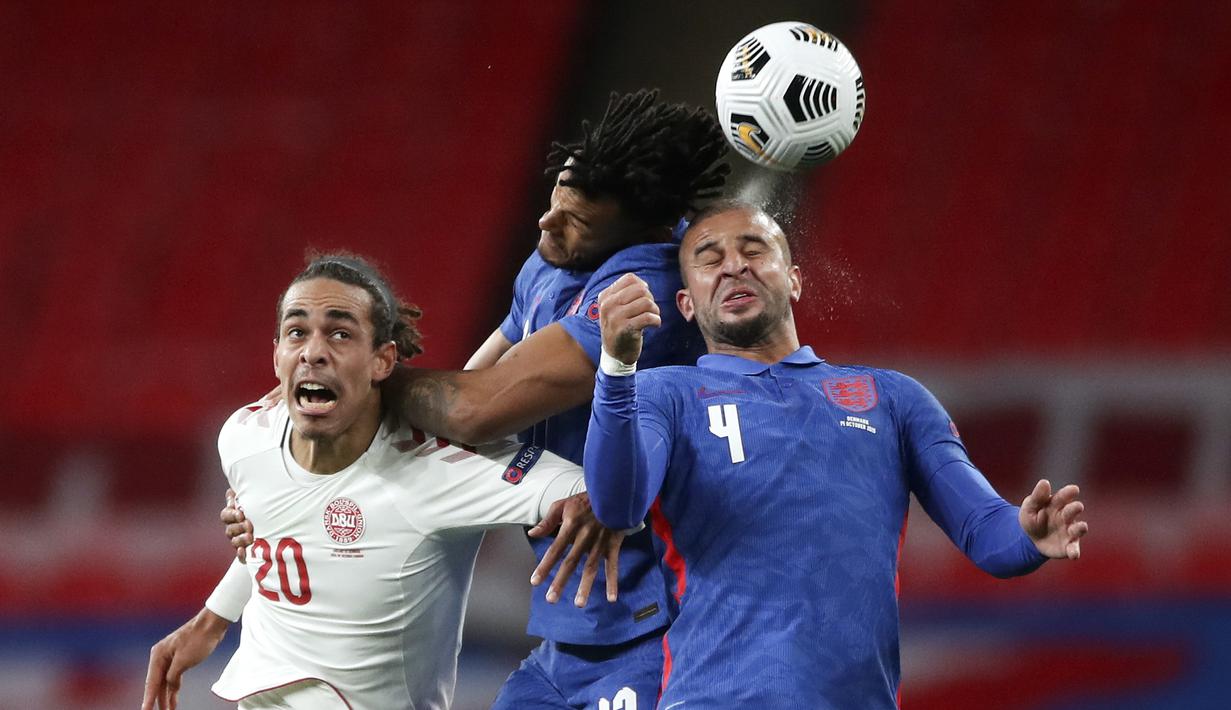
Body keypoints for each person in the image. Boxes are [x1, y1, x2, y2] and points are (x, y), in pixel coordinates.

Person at [220, 89, 731, 709]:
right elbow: (453, 414)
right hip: (574, 624)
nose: (547, 225)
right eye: (554, 204)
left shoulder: (647, 288)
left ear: (641, 230)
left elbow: (476, 406)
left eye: (576, 222)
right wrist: (290, 491)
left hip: (661, 615)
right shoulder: (553, 264)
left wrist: (351, 380)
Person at [582, 201, 1090, 708]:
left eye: (753, 249)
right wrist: (616, 370)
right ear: (687, 303)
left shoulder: (893, 399)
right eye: (710, 259)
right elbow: (618, 504)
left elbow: (985, 529)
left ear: (795, 280)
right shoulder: (662, 395)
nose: (734, 265)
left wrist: (1026, 535)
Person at [142, 254, 610, 710]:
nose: (313, 352)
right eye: (296, 332)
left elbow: (586, 489)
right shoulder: (245, 438)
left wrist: (591, 498)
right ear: (277, 355)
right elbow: (280, 522)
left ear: (384, 361)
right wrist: (213, 619)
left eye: (340, 334)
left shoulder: (439, 469)